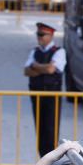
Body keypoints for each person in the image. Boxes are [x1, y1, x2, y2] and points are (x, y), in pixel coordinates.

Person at [24, 22, 66, 156]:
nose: (39, 37)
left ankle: (52, 160)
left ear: (51, 35)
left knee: (51, 129)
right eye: (38, 34)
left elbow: (51, 69)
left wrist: (36, 66)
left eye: (42, 34)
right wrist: (43, 69)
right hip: (36, 93)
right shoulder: (34, 51)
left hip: (52, 95)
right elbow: (27, 71)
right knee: (40, 129)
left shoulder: (59, 51)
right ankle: (43, 158)